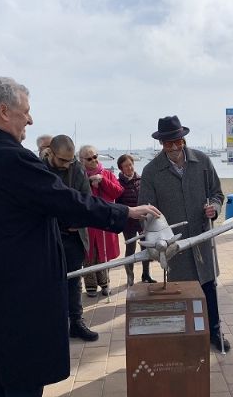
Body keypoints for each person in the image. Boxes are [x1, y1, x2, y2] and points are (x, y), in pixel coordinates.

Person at [0, 77, 159, 397]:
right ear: (4, 111)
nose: (29, 120)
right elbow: (63, 199)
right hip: (22, 279)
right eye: (25, 111)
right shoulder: (9, 157)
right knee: (24, 358)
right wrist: (125, 214)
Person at [139, 115, 230, 352]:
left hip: (201, 237)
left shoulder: (202, 161)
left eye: (178, 142)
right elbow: (146, 212)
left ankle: (215, 331)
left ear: (183, 139)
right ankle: (185, 335)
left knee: (208, 286)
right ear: (161, 144)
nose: (174, 147)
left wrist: (214, 208)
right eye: (168, 144)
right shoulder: (151, 171)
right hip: (174, 243)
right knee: (180, 290)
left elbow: (217, 194)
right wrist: (156, 239)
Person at [44, 135, 99, 341]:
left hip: (74, 236)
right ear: (50, 153)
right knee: (50, 282)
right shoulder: (39, 170)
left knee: (74, 282)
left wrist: (79, 218)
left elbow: (86, 199)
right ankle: (54, 326)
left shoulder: (77, 168)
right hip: (49, 237)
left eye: (70, 160)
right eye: (62, 161)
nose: (67, 165)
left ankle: (76, 322)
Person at [78, 145, 123, 297]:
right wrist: (88, 183)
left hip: (104, 220)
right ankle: (90, 286)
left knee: (104, 254)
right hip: (88, 223)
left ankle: (105, 283)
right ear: (81, 160)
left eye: (95, 157)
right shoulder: (79, 175)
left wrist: (103, 181)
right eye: (89, 158)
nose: (94, 161)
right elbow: (76, 195)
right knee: (89, 254)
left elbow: (117, 191)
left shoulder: (107, 173)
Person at [116, 153, 156, 286]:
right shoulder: (118, 183)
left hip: (143, 220)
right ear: (121, 169)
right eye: (126, 166)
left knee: (146, 247)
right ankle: (130, 275)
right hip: (128, 222)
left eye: (130, 165)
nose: (129, 168)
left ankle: (146, 274)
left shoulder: (141, 179)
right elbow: (116, 203)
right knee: (130, 249)